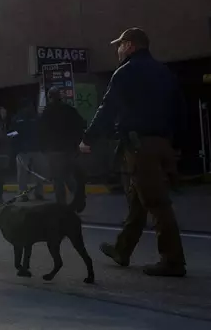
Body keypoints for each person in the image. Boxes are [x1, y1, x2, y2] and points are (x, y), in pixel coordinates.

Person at [79, 27, 187, 277]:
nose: (117, 49)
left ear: (130, 45)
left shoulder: (125, 72)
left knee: (156, 203)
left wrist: (88, 138)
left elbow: (107, 108)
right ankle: (122, 249)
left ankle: (173, 261)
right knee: (139, 199)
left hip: (140, 147)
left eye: (120, 45)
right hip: (162, 143)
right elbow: (180, 108)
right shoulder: (164, 71)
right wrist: (177, 143)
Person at [38, 86, 87, 211]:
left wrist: (43, 147)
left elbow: (41, 131)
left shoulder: (47, 112)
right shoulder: (69, 110)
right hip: (70, 149)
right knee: (67, 176)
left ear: (50, 97)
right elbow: (81, 125)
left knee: (58, 179)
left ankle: (62, 207)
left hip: (54, 150)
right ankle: (79, 199)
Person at [11, 99, 44, 201]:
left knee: (26, 174)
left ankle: (26, 193)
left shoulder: (20, 118)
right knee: (34, 173)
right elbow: (13, 133)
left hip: (29, 149)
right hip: (30, 149)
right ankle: (32, 193)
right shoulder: (34, 118)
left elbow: (12, 134)